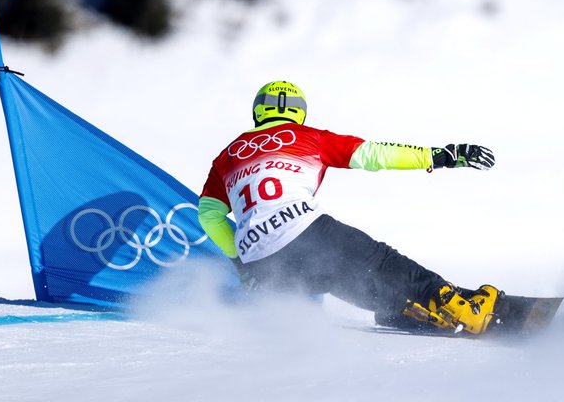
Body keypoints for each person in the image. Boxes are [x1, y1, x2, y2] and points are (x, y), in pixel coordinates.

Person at [198, 80, 500, 335]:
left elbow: (209, 215)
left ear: (258, 111)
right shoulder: (309, 137)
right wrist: (441, 156)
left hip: (260, 260)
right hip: (303, 228)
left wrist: (241, 263)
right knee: (382, 261)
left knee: (332, 276)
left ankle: (402, 311)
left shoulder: (226, 156)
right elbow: (375, 155)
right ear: (299, 111)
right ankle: (458, 306)